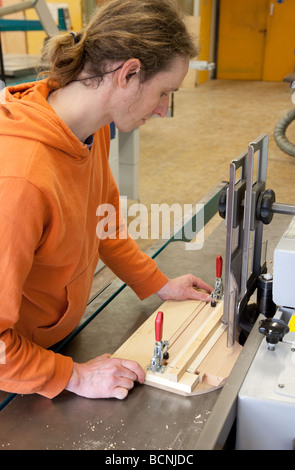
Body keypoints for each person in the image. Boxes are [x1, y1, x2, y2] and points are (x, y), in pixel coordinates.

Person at [0, 0, 212, 401]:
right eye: (164, 93)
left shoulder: (88, 130)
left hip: (51, 344)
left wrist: (158, 284)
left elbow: (105, 225)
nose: (164, 111)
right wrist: (75, 377)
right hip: (16, 372)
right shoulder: (19, 178)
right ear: (129, 73)